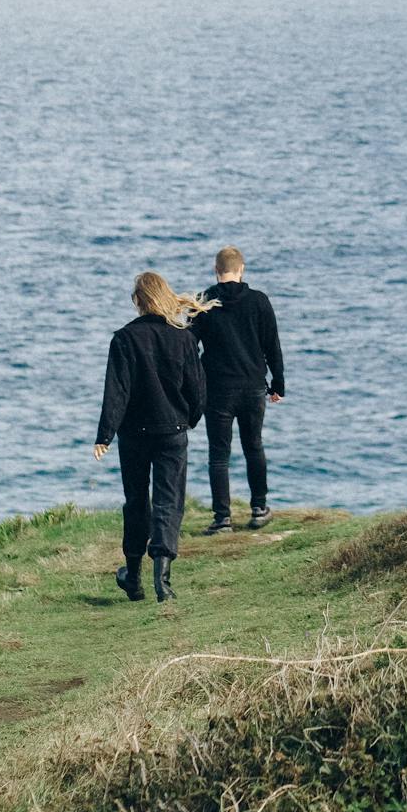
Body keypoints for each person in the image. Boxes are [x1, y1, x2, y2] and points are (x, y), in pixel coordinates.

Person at [94, 271, 211, 601]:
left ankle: (133, 576)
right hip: (173, 431)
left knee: (136, 503)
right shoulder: (184, 338)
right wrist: (189, 418)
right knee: (168, 502)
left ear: (138, 301)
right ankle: (163, 577)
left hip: (133, 435)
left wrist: (105, 435)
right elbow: (198, 390)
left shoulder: (124, 339)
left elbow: (116, 392)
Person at [194, 244, 284, 533]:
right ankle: (259, 509)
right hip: (253, 386)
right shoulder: (259, 301)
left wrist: (193, 382)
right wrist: (278, 384)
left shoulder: (204, 302)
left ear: (215, 269)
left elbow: (188, 346)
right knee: (253, 446)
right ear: (241, 269)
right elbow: (273, 346)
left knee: (219, 455)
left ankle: (222, 518)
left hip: (218, 389)